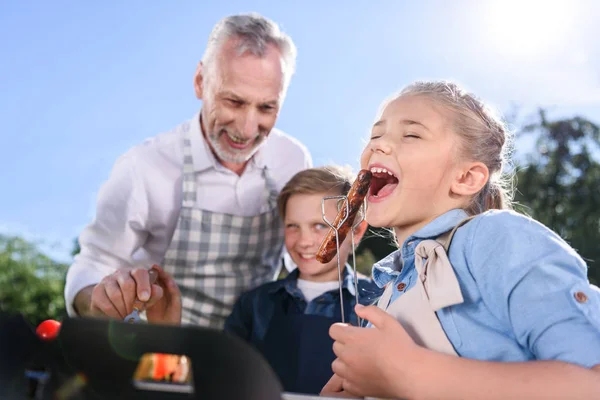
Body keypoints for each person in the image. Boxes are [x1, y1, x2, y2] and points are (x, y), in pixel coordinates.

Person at [320, 80, 600, 399]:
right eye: (375, 135)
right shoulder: (386, 287)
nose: (377, 147)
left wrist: (409, 373)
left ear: (466, 178)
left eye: (410, 134)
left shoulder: (494, 239)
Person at [63, 12, 312, 328]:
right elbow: (92, 265)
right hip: (163, 348)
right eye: (234, 102)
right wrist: (99, 299)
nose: (248, 129)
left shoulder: (292, 159)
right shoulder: (145, 166)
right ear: (200, 82)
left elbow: (307, 264)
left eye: (266, 107)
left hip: (255, 351)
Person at [224, 165, 381, 395]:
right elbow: (227, 378)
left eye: (320, 225)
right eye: (293, 226)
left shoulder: (378, 302)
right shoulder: (255, 304)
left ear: (355, 231)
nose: (304, 241)